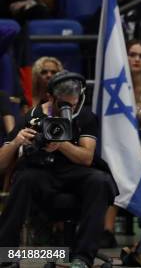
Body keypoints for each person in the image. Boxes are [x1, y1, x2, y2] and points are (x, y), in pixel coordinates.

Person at [0, 71, 117, 268]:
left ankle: (82, 258)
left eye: (73, 102)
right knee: (24, 178)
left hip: (74, 173)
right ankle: (6, 255)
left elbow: (87, 157)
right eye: (63, 103)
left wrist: (61, 143)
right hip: (41, 171)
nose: (69, 107)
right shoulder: (33, 116)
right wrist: (16, 142)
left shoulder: (85, 116)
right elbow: (2, 163)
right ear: (51, 97)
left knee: (100, 180)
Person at [103, 40, 141, 250]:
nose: (136, 59)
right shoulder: (114, 87)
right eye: (132, 54)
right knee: (111, 176)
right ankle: (105, 234)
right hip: (117, 151)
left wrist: (139, 159)